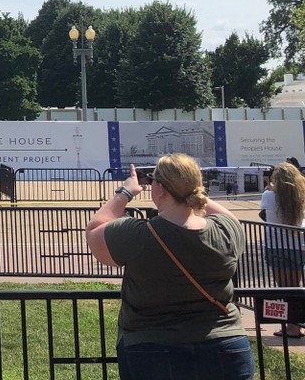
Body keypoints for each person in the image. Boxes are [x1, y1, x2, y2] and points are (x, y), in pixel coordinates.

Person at [85, 154, 253, 380]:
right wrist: (191, 189)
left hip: (152, 347)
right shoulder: (224, 232)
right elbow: (228, 217)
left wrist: (125, 192)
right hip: (226, 345)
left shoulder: (137, 235)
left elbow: (94, 231)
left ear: (161, 189)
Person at [259, 160, 305, 337]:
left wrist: (269, 188)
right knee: (297, 287)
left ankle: (292, 326)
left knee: (285, 288)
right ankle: (297, 324)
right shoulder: (301, 196)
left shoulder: (268, 195)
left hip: (277, 245)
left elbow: (264, 214)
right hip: (299, 246)